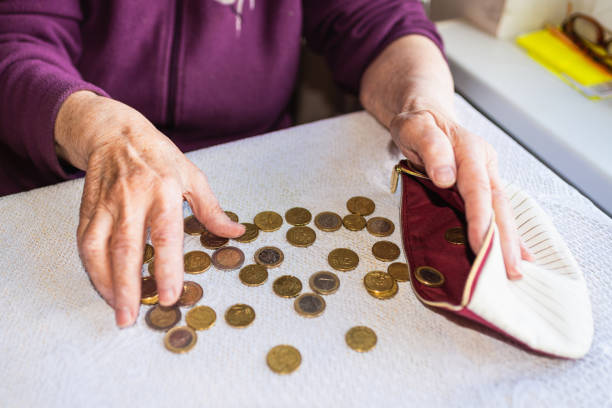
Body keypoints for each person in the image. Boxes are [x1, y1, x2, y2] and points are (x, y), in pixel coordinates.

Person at [0, 0, 530, 328]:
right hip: (64, 175)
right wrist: (103, 130)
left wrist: (426, 106)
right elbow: (16, 43)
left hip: (255, 175)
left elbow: (380, 19)